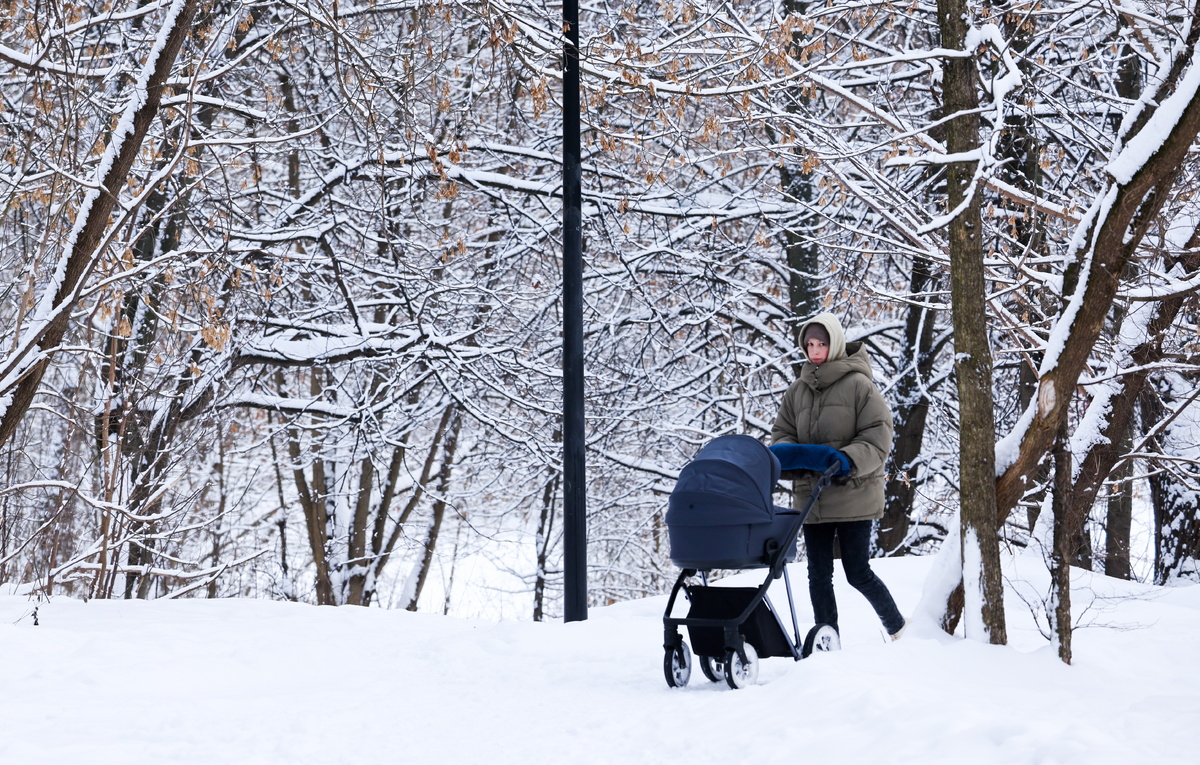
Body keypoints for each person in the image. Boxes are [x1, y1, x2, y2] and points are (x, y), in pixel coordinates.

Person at [770, 312, 906, 640]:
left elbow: (878, 433)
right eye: (809, 344)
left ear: (835, 344)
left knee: (857, 572)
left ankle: (899, 630)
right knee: (818, 575)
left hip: (853, 492)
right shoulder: (797, 391)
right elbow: (782, 433)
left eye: (821, 343)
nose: (815, 350)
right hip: (812, 496)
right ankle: (827, 641)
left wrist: (845, 460)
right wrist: (793, 456)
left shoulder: (859, 385)